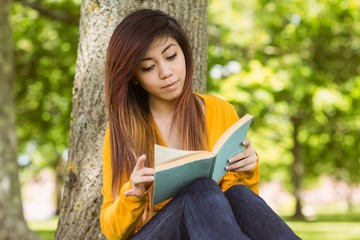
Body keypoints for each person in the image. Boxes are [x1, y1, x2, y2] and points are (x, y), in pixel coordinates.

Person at [100, 8, 300, 240]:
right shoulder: (123, 130)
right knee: (200, 188)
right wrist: (132, 195)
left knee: (237, 194)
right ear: (134, 76)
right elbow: (111, 230)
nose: (166, 72)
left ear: (184, 52)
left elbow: (240, 209)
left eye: (171, 56)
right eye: (148, 67)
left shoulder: (219, 110)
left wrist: (247, 170)